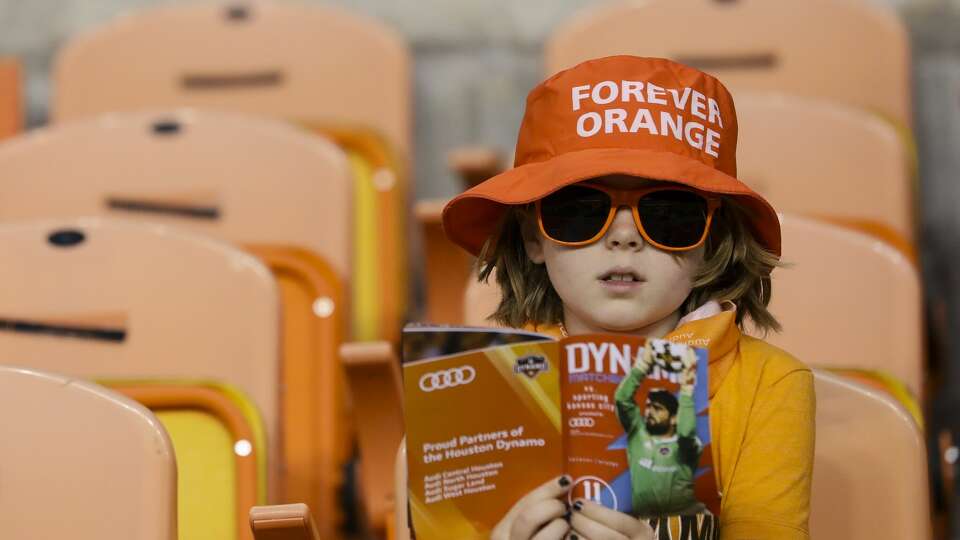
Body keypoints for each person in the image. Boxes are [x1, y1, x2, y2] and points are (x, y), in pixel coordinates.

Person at [441, 55, 815, 539]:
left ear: (711, 243)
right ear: (533, 237)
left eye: (669, 214)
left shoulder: (769, 385)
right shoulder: (477, 388)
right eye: (577, 211)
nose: (624, 238)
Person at [614, 344, 703, 517]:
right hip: (640, 523)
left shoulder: (686, 445)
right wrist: (641, 366)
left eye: (657, 408)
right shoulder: (637, 433)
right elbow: (622, 399)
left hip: (682, 526)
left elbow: (685, 432)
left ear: (674, 418)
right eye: (648, 406)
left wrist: (687, 388)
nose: (649, 412)